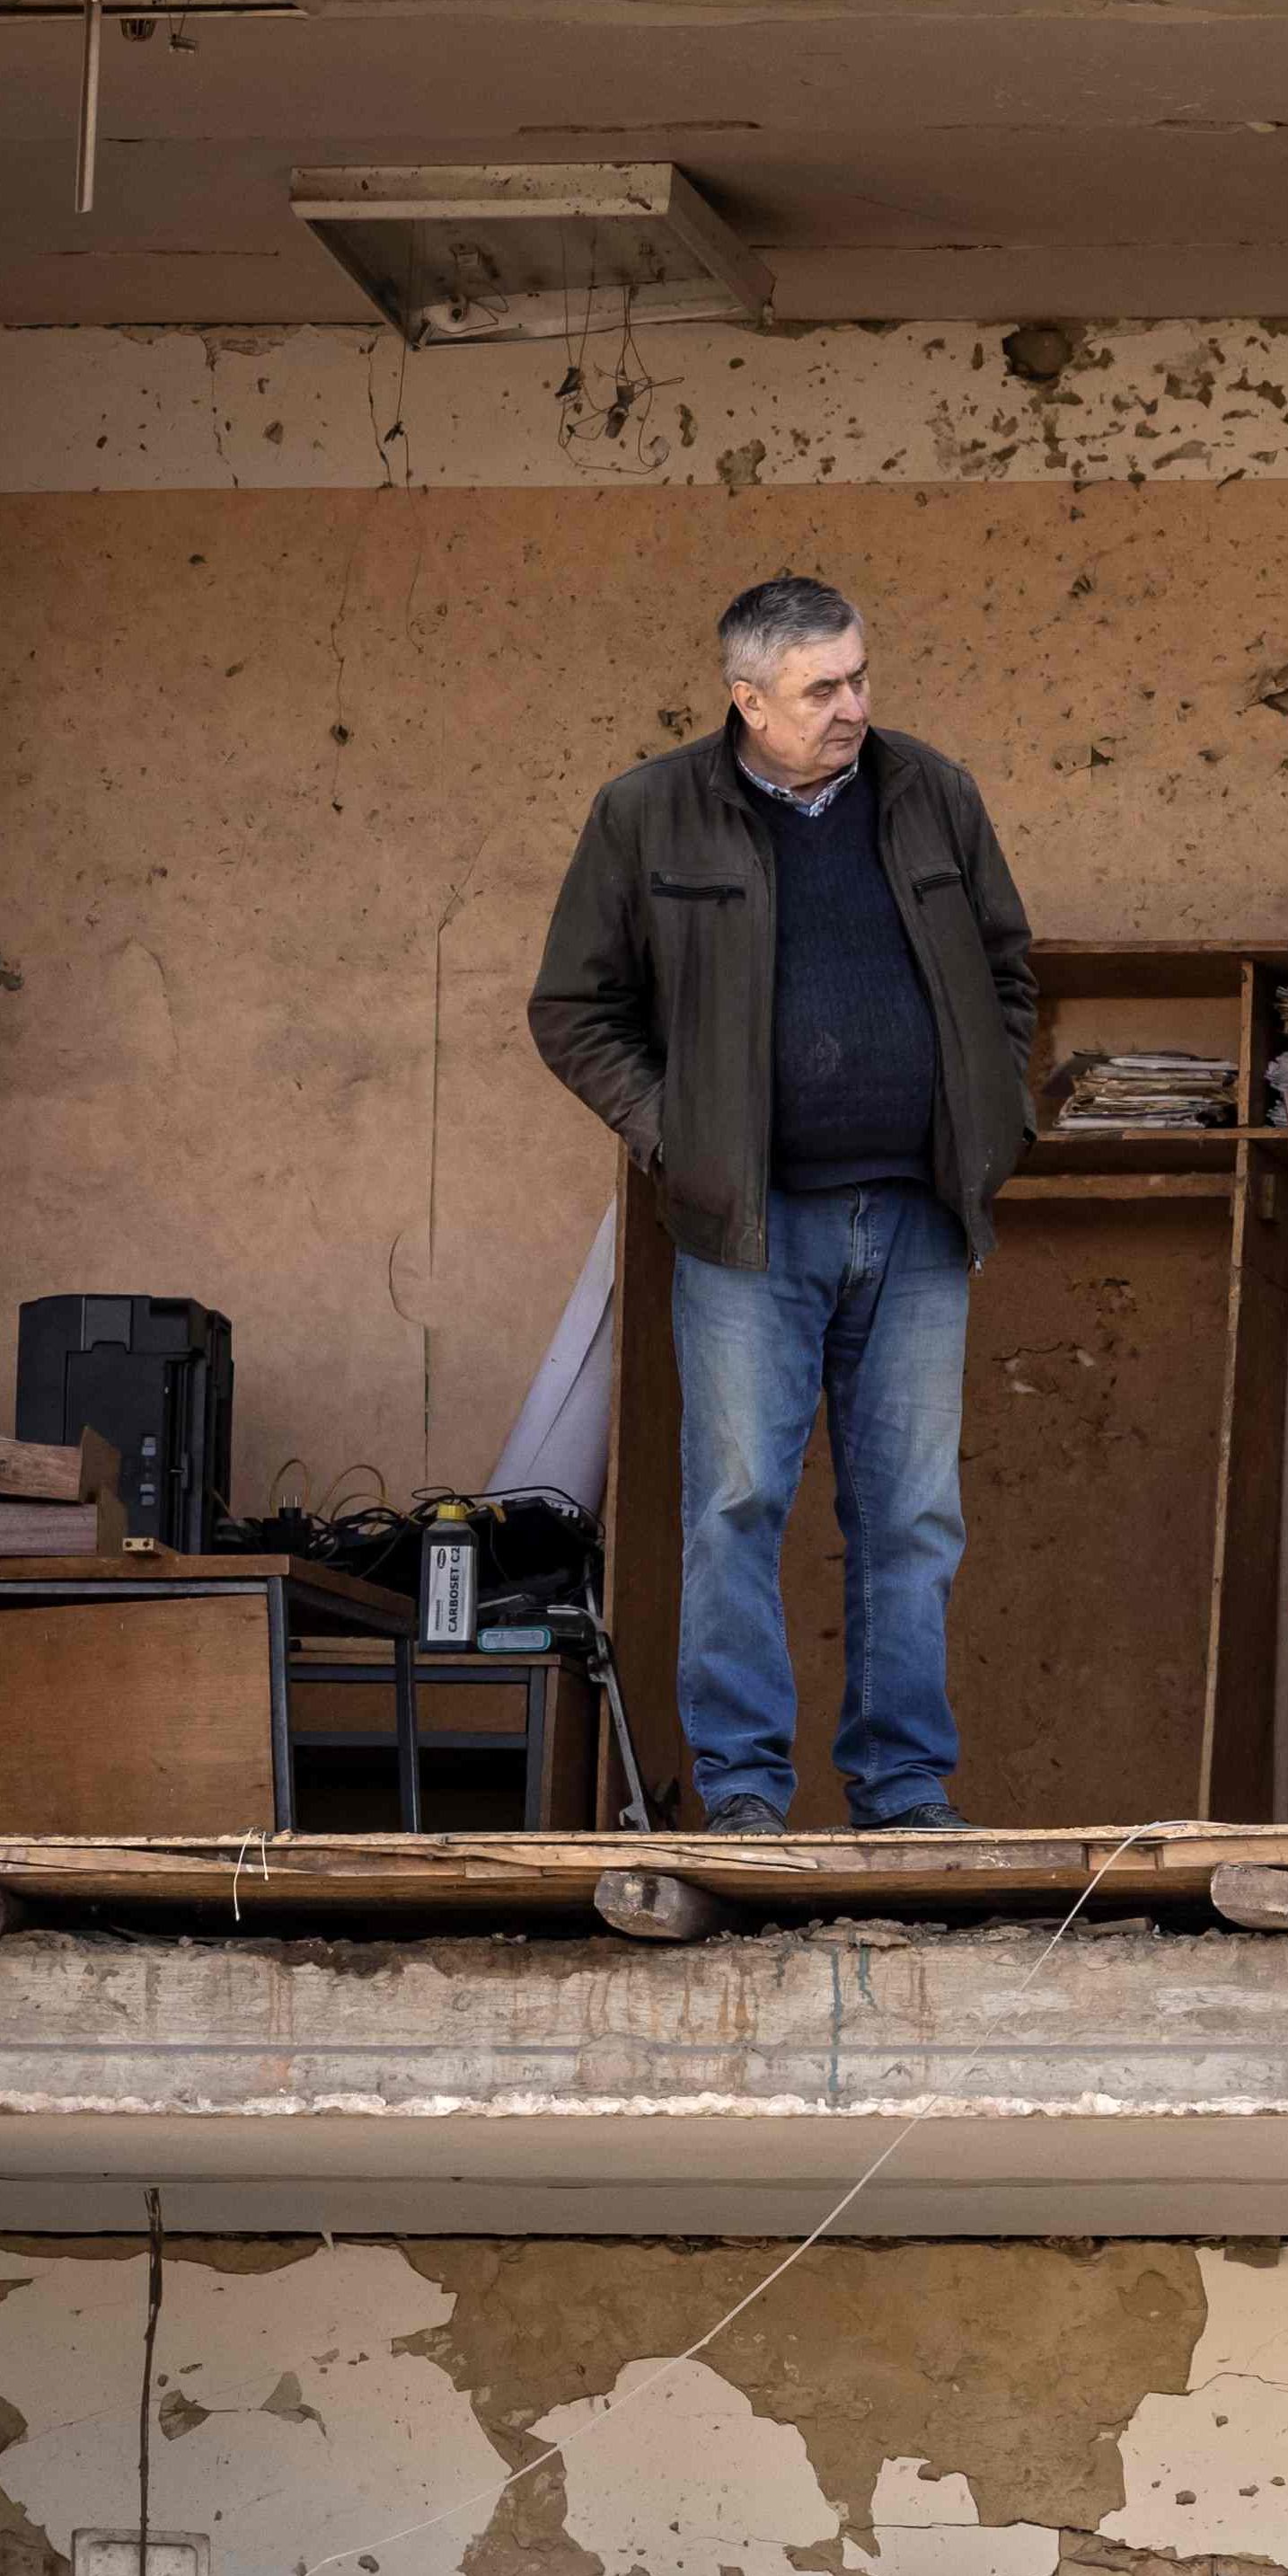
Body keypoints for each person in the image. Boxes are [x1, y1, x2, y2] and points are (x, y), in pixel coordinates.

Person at [529, 577, 1037, 1833]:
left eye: (861, 677)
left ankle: (906, 1793)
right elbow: (572, 1011)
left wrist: (993, 1114)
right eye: (823, 689)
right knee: (736, 1506)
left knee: (913, 1518)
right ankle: (747, 1795)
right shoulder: (648, 815)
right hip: (749, 1230)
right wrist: (677, 1139)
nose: (854, 706)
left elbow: (1008, 972)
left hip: (917, 1220)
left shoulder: (935, 795)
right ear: (745, 699)